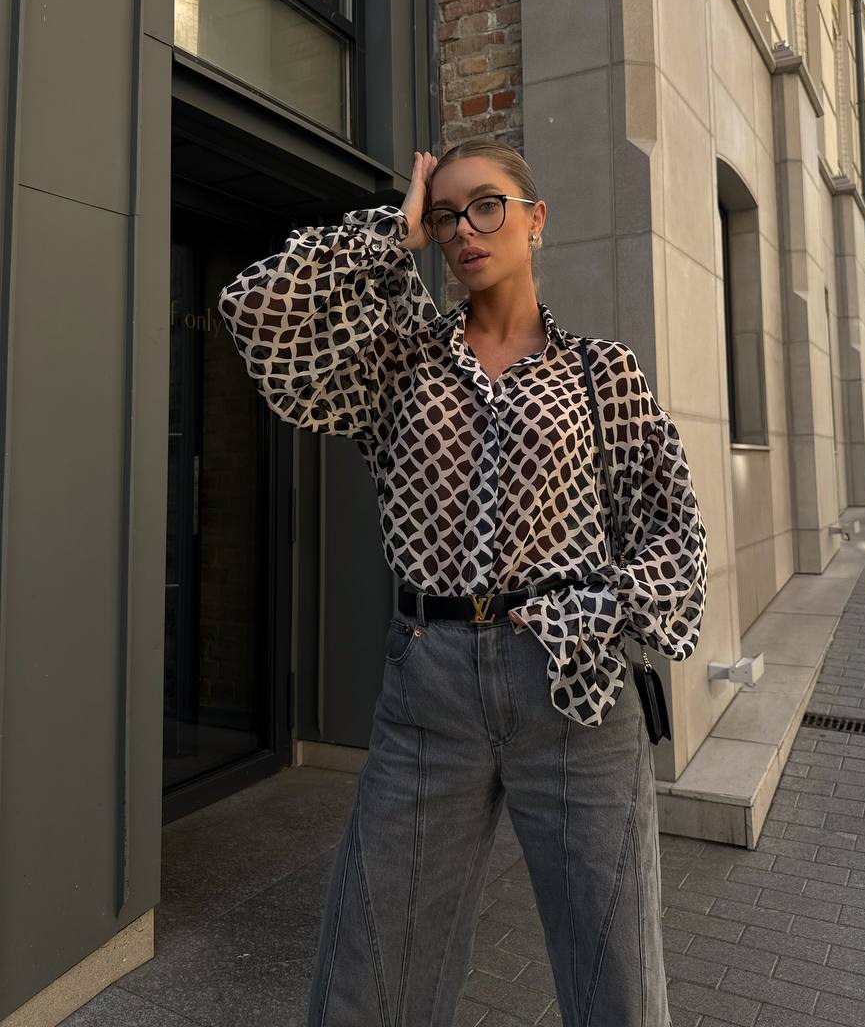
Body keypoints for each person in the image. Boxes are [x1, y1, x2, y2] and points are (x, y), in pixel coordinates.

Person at [217, 138, 708, 1026]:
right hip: (427, 688)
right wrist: (387, 236)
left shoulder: (604, 373)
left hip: (574, 690)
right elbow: (254, 307)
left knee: (616, 975)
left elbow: (676, 535)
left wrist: (588, 613)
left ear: (536, 219)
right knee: (373, 969)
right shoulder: (397, 362)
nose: (463, 229)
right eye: (445, 215)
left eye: (487, 206)